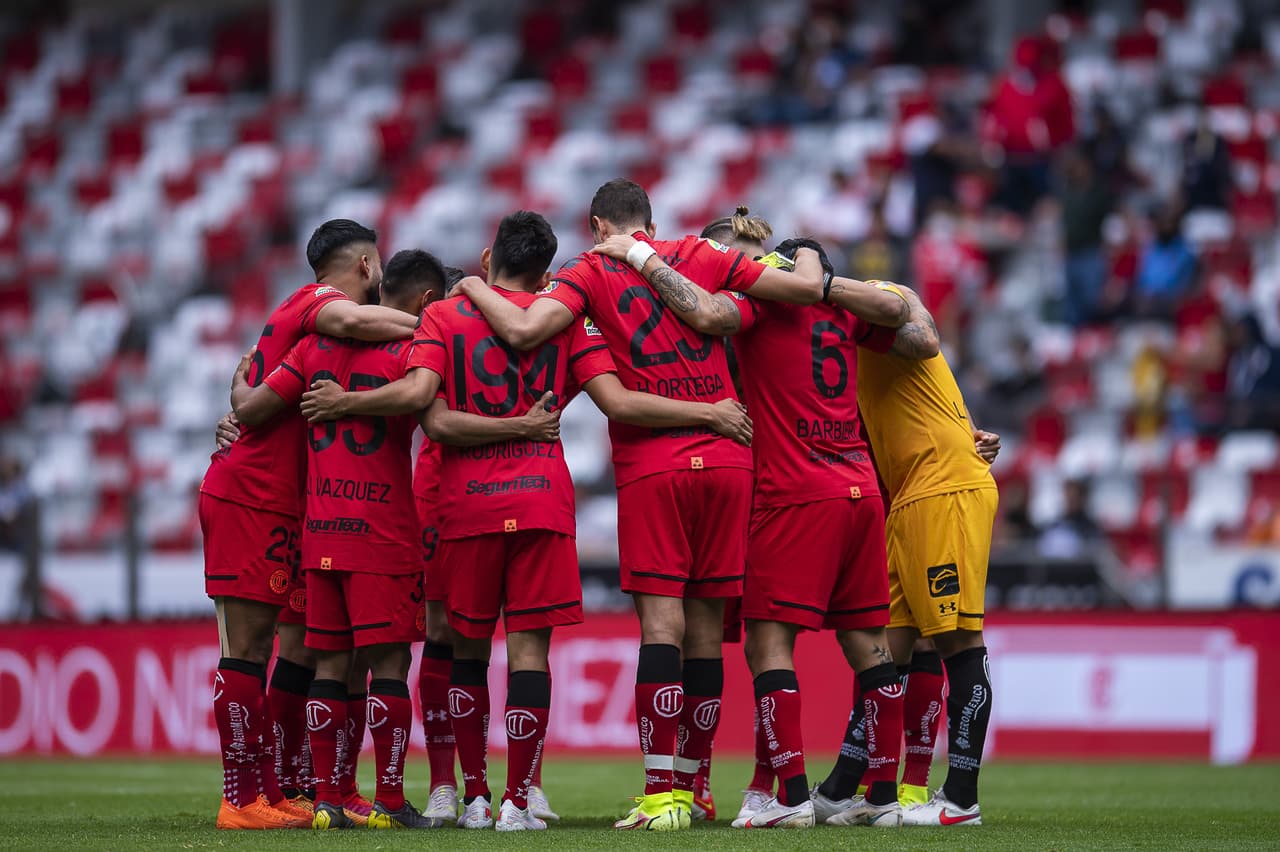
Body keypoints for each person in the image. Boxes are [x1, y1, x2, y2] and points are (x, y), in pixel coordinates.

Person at [297, 209, 754, 831]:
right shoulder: (567, 325)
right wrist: (708, 410)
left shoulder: (442, 316)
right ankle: (519, 799)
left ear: (490, 257)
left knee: (460, 648)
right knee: (529, 655)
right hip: (540, 498)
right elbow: (616, 402)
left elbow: (431, 418)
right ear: (547, 271)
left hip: (463, 502)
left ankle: (473, 795)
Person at [446, 181, 819, 831]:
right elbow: (804, 291)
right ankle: (699, 787)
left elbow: (527, 325)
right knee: (707, 634)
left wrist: (471, 285)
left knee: (662, 629)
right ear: (649, 219)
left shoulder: (589, 270)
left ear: (597, 225)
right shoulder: (700, 252)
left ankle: (662, 796)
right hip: (731, 456)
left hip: (656, 464)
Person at [599, 207, 911, 829]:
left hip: (792, 491)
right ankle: (882, 797)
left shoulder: (760, 304)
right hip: (859, 487)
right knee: (869, 647)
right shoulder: (844, 309)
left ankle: (787, 796)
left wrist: (639, 256)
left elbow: (709, 313)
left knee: (767, 646)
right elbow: (904, 320)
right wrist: (827, 279)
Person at [198, 219, 417, 829]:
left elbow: (253, 404)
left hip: (284, 501)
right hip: (250, 495)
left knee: (283, 646)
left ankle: (277, 788)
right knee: (246, 649)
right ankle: (240, 799)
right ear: (368, 267)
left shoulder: (301, 327)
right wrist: (439, 325)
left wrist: (239, 398)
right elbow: (347, 322)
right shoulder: (318, 303)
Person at [230, 249, 457, 830]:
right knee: (386, 665)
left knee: (329, 665)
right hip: (383, 529)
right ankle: (387, 796)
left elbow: (255, 410)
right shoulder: (416, 351)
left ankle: (329, 797)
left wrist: (236, 395)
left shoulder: (310, 348)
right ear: (426, 301)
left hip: (322, 530)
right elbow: (429, 413)